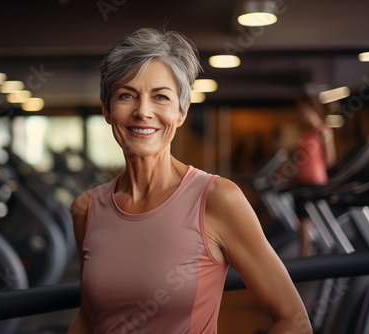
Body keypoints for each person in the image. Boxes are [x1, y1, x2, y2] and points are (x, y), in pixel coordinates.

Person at [67, 27, 311, 334]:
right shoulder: (86, 209)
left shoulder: (217, 198)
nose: (143, 111)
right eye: (127, 95)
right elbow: (89, 320)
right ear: (107, 109)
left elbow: (295, 321)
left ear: (181, 112)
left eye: (161, 97)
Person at [294, 97, 336, 257]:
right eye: (300, 111)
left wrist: (325, 141)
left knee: (307, 221)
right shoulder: (304, 132)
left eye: (304, 111)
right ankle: (303, 255)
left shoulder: (323, 131)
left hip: (316, 182)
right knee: (302, 222)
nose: (301, 114)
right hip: (301, 181)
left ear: (313, 110)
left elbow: (330, 159)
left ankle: (304, 256)